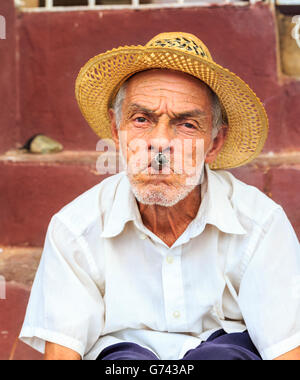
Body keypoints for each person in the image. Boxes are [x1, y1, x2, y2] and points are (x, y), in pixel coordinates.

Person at [19, 32, 300, 360]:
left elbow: (286, 351)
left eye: (187, 125)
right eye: (141, 120)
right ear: (116, 129)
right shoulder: (74, 230)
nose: (161, 142)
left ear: (215, 143)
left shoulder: (260, 224)